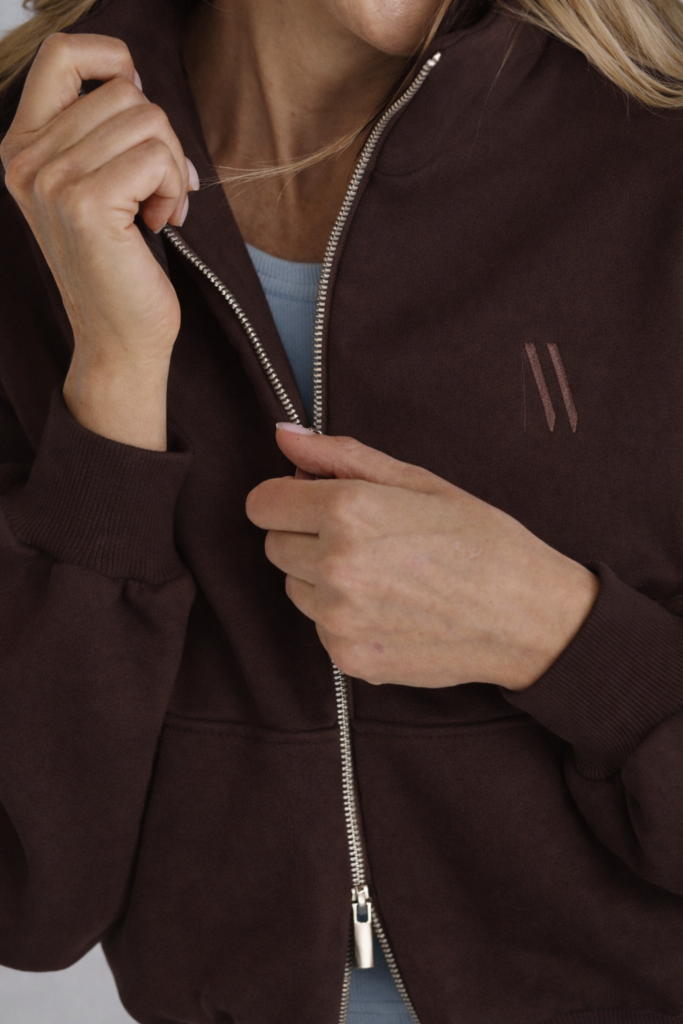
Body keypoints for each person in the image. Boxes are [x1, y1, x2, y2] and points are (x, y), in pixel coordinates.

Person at [1, 0, 683, 1020]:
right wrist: (113, 371)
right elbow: (31, 889)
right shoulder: (37, 177)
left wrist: (548, 630)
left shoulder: (652, 156)